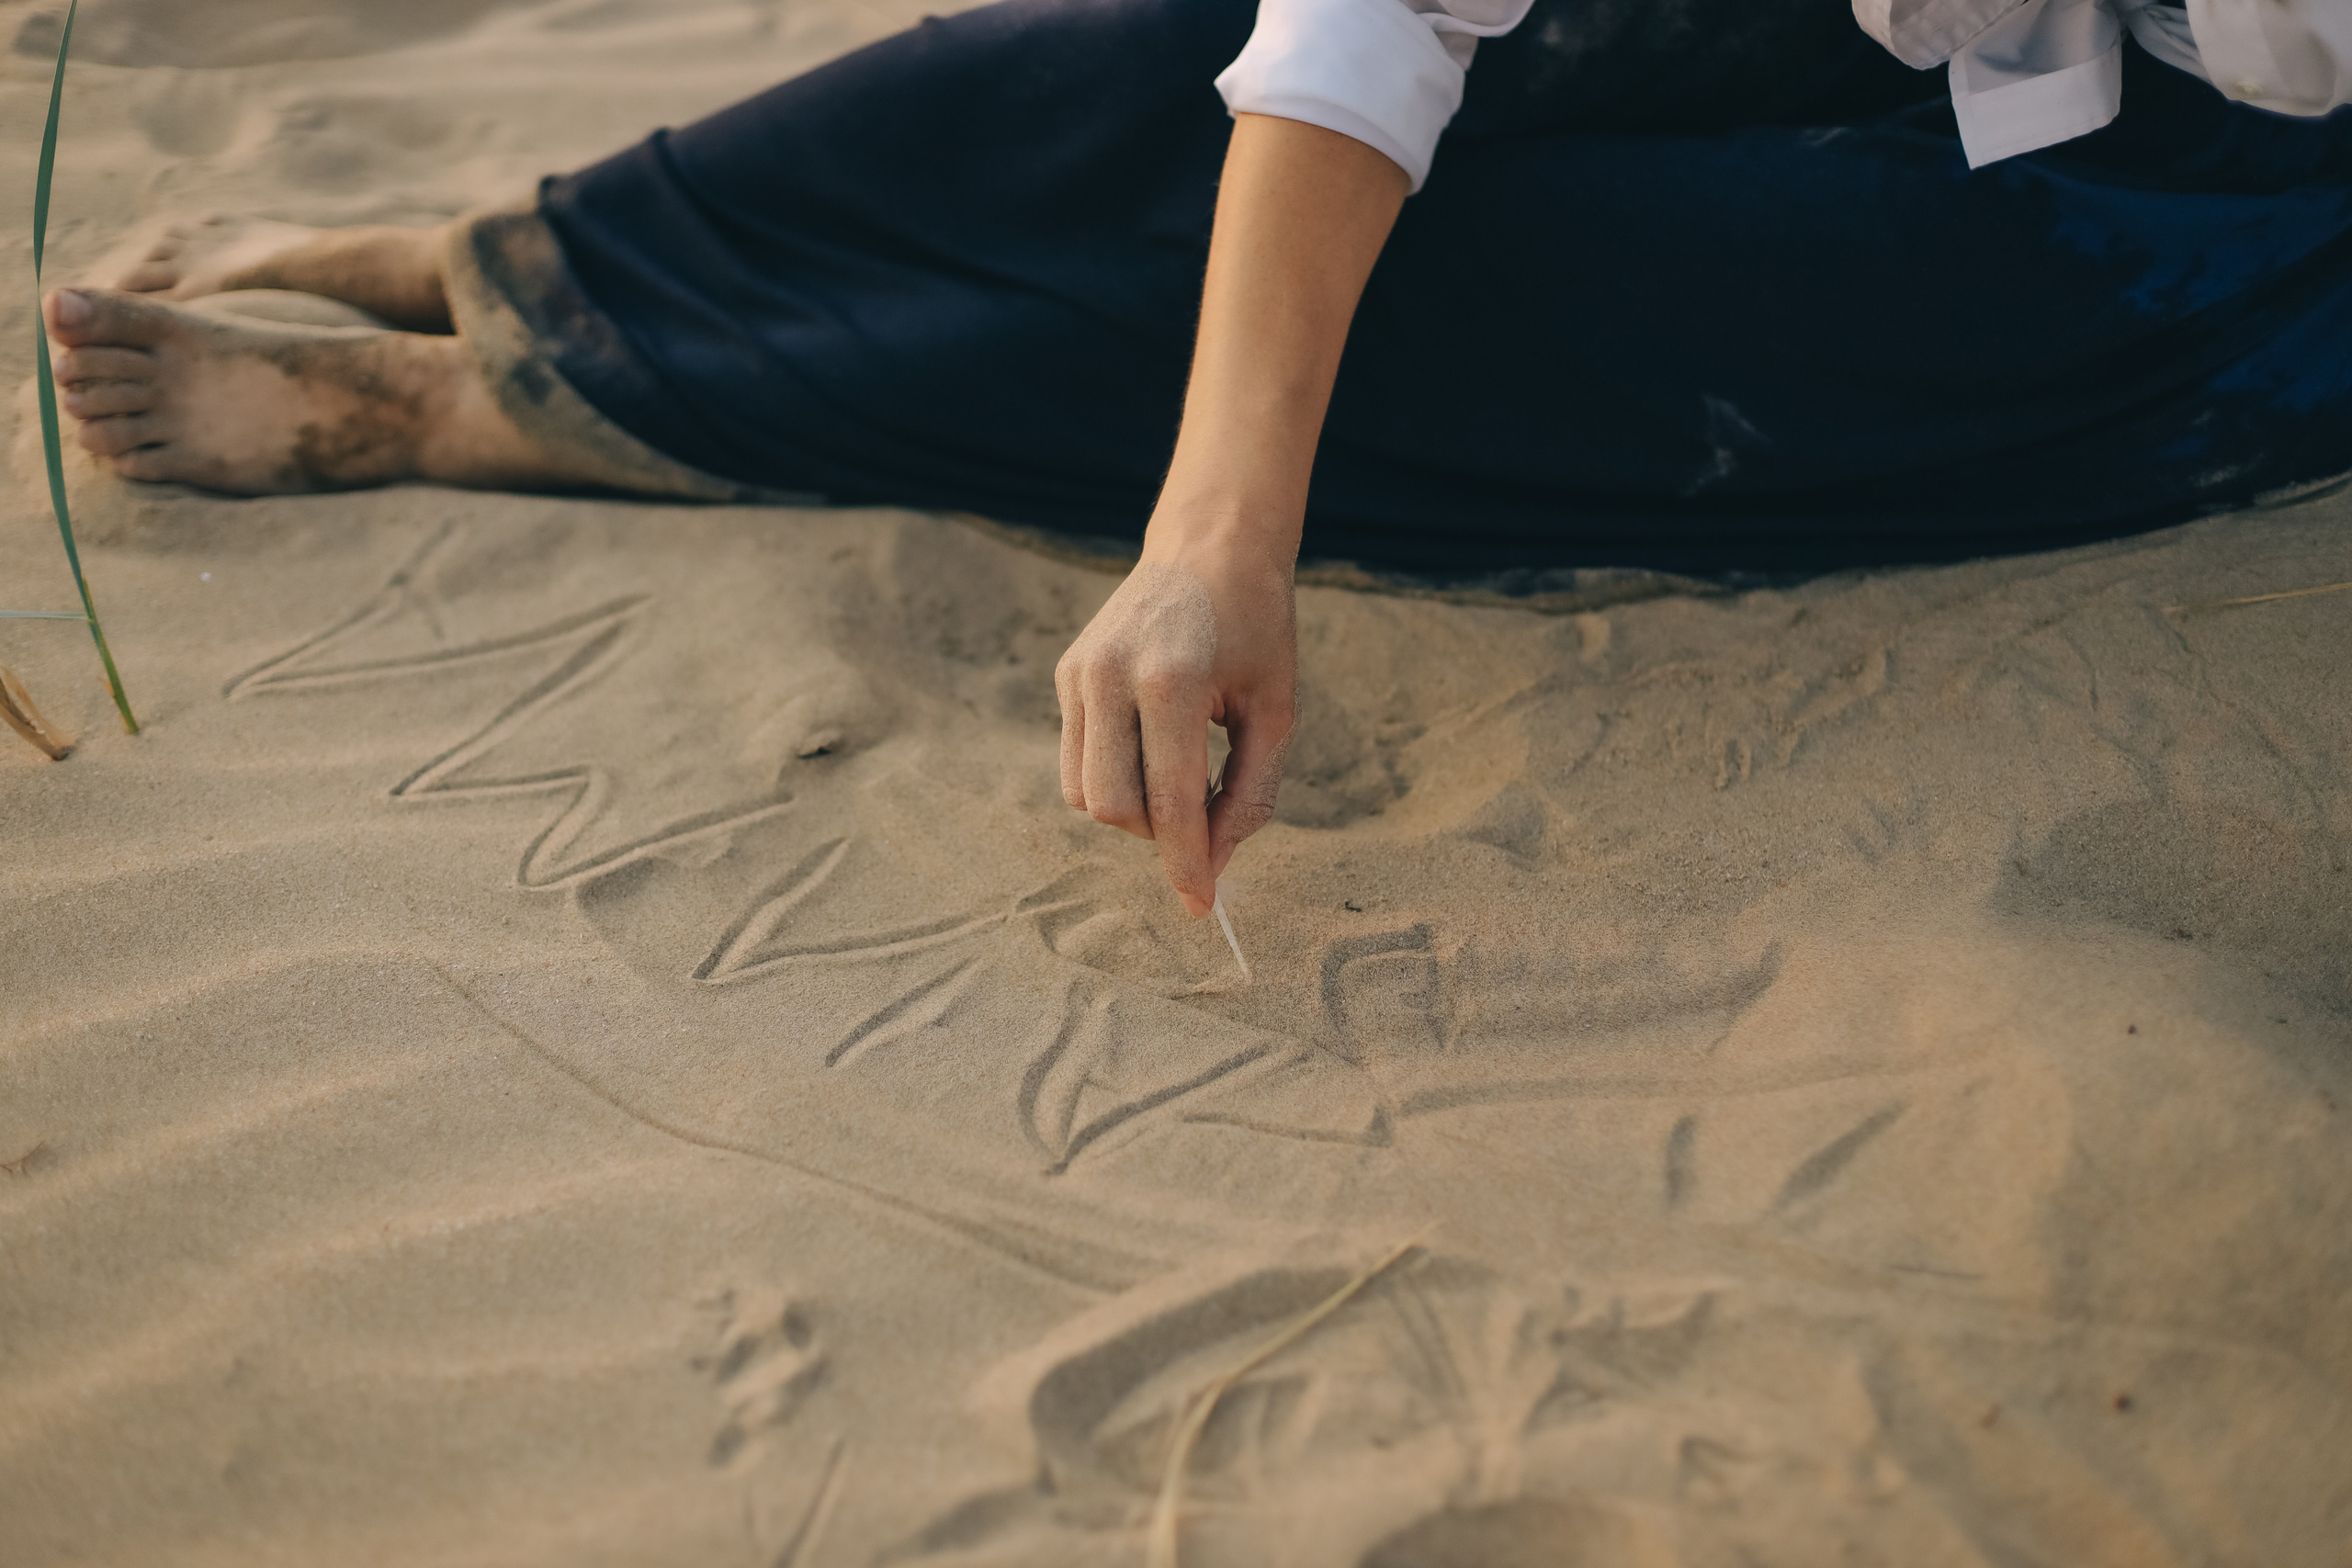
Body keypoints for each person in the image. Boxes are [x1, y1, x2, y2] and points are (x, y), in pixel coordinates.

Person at [43, 0, 2352, 917]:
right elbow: (1356, 30)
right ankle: (486, 257)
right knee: (1152, 67)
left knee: (1542, 327)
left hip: (2207, 194)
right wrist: (1203, 545)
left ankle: (501, 400)